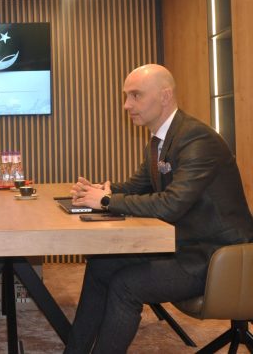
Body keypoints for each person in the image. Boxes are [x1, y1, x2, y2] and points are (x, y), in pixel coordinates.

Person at [65, 64, 253, 354]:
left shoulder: (197, 139)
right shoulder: (158, 142)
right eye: (126, 96)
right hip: (184, 245)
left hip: (217, 257)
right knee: (102, 265)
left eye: (136, 95)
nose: (126, 105)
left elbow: (170, 204)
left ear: (165, 96)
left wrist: (104, 201)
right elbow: (136, 186)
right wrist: (102, 190)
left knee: (126, 285)